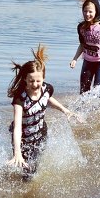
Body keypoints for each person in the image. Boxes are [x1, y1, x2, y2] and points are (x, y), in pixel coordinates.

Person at [7, 44, 75, 179]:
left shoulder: (47, 89)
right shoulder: (20, 98)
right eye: (31, 81)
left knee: (34, 167)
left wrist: (65, 110)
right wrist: (18, 153)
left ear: (43, 78)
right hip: (23, 138)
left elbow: (48, 99)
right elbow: (17, 127)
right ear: (25, 79)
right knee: (26, 171)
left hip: (41, 133)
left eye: (38, 80)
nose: (35, 84)